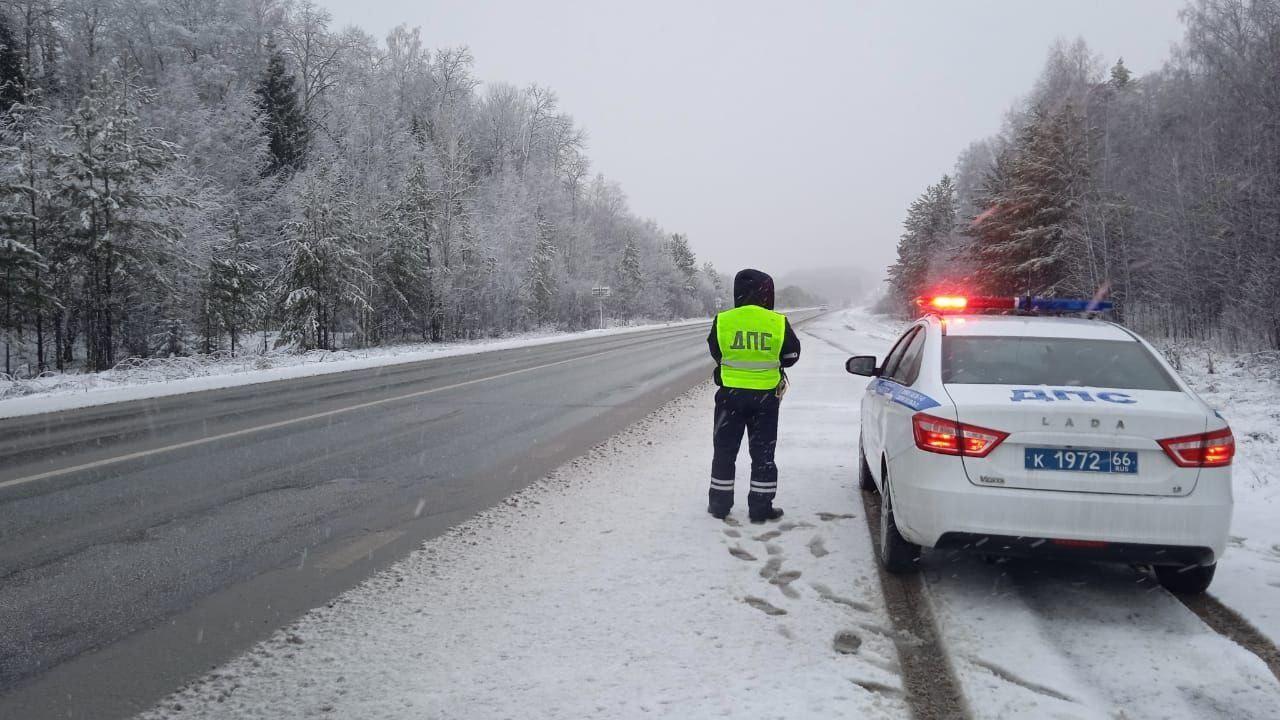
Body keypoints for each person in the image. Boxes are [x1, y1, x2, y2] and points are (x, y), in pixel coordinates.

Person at [706, 268, 801, 523]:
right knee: (763, 455)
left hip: (730, 398)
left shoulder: (723, 320)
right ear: (767, 293)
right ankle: (760, 508)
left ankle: (719, 505)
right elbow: (792, 356)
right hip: (765, 401)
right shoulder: (777, 322)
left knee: (725, 451)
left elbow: (715, 351)